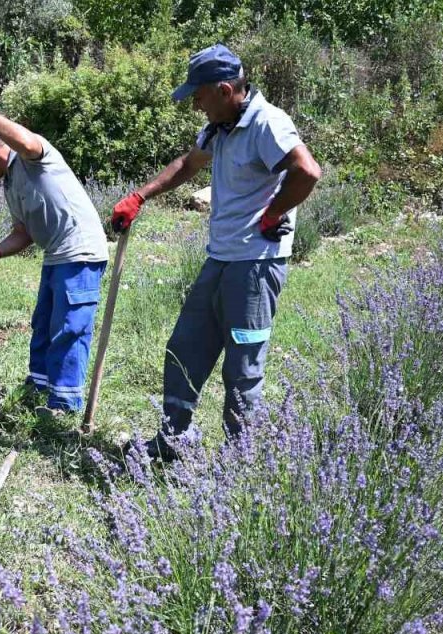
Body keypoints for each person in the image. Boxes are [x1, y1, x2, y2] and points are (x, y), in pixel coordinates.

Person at [109, 43, 321, 460]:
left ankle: (238, 462)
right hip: (221, 258)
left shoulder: (266, 122)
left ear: (225, 90)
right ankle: (173, 440)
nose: (196, 105)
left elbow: (307, 170)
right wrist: (141, 195)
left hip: (256, 267)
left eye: (200, 95)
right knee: (185, 348)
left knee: (241, 368)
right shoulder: (219, 127)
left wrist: (274, 212)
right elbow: (189, 164)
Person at [0, 92, 110, 416]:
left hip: (80, 252)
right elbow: (24, 233)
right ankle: (38, 389)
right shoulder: (9, 183)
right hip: (56, 254)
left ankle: (63, 405)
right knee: (43, 325)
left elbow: (28, 143)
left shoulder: (31, 157)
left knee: (70, 329)